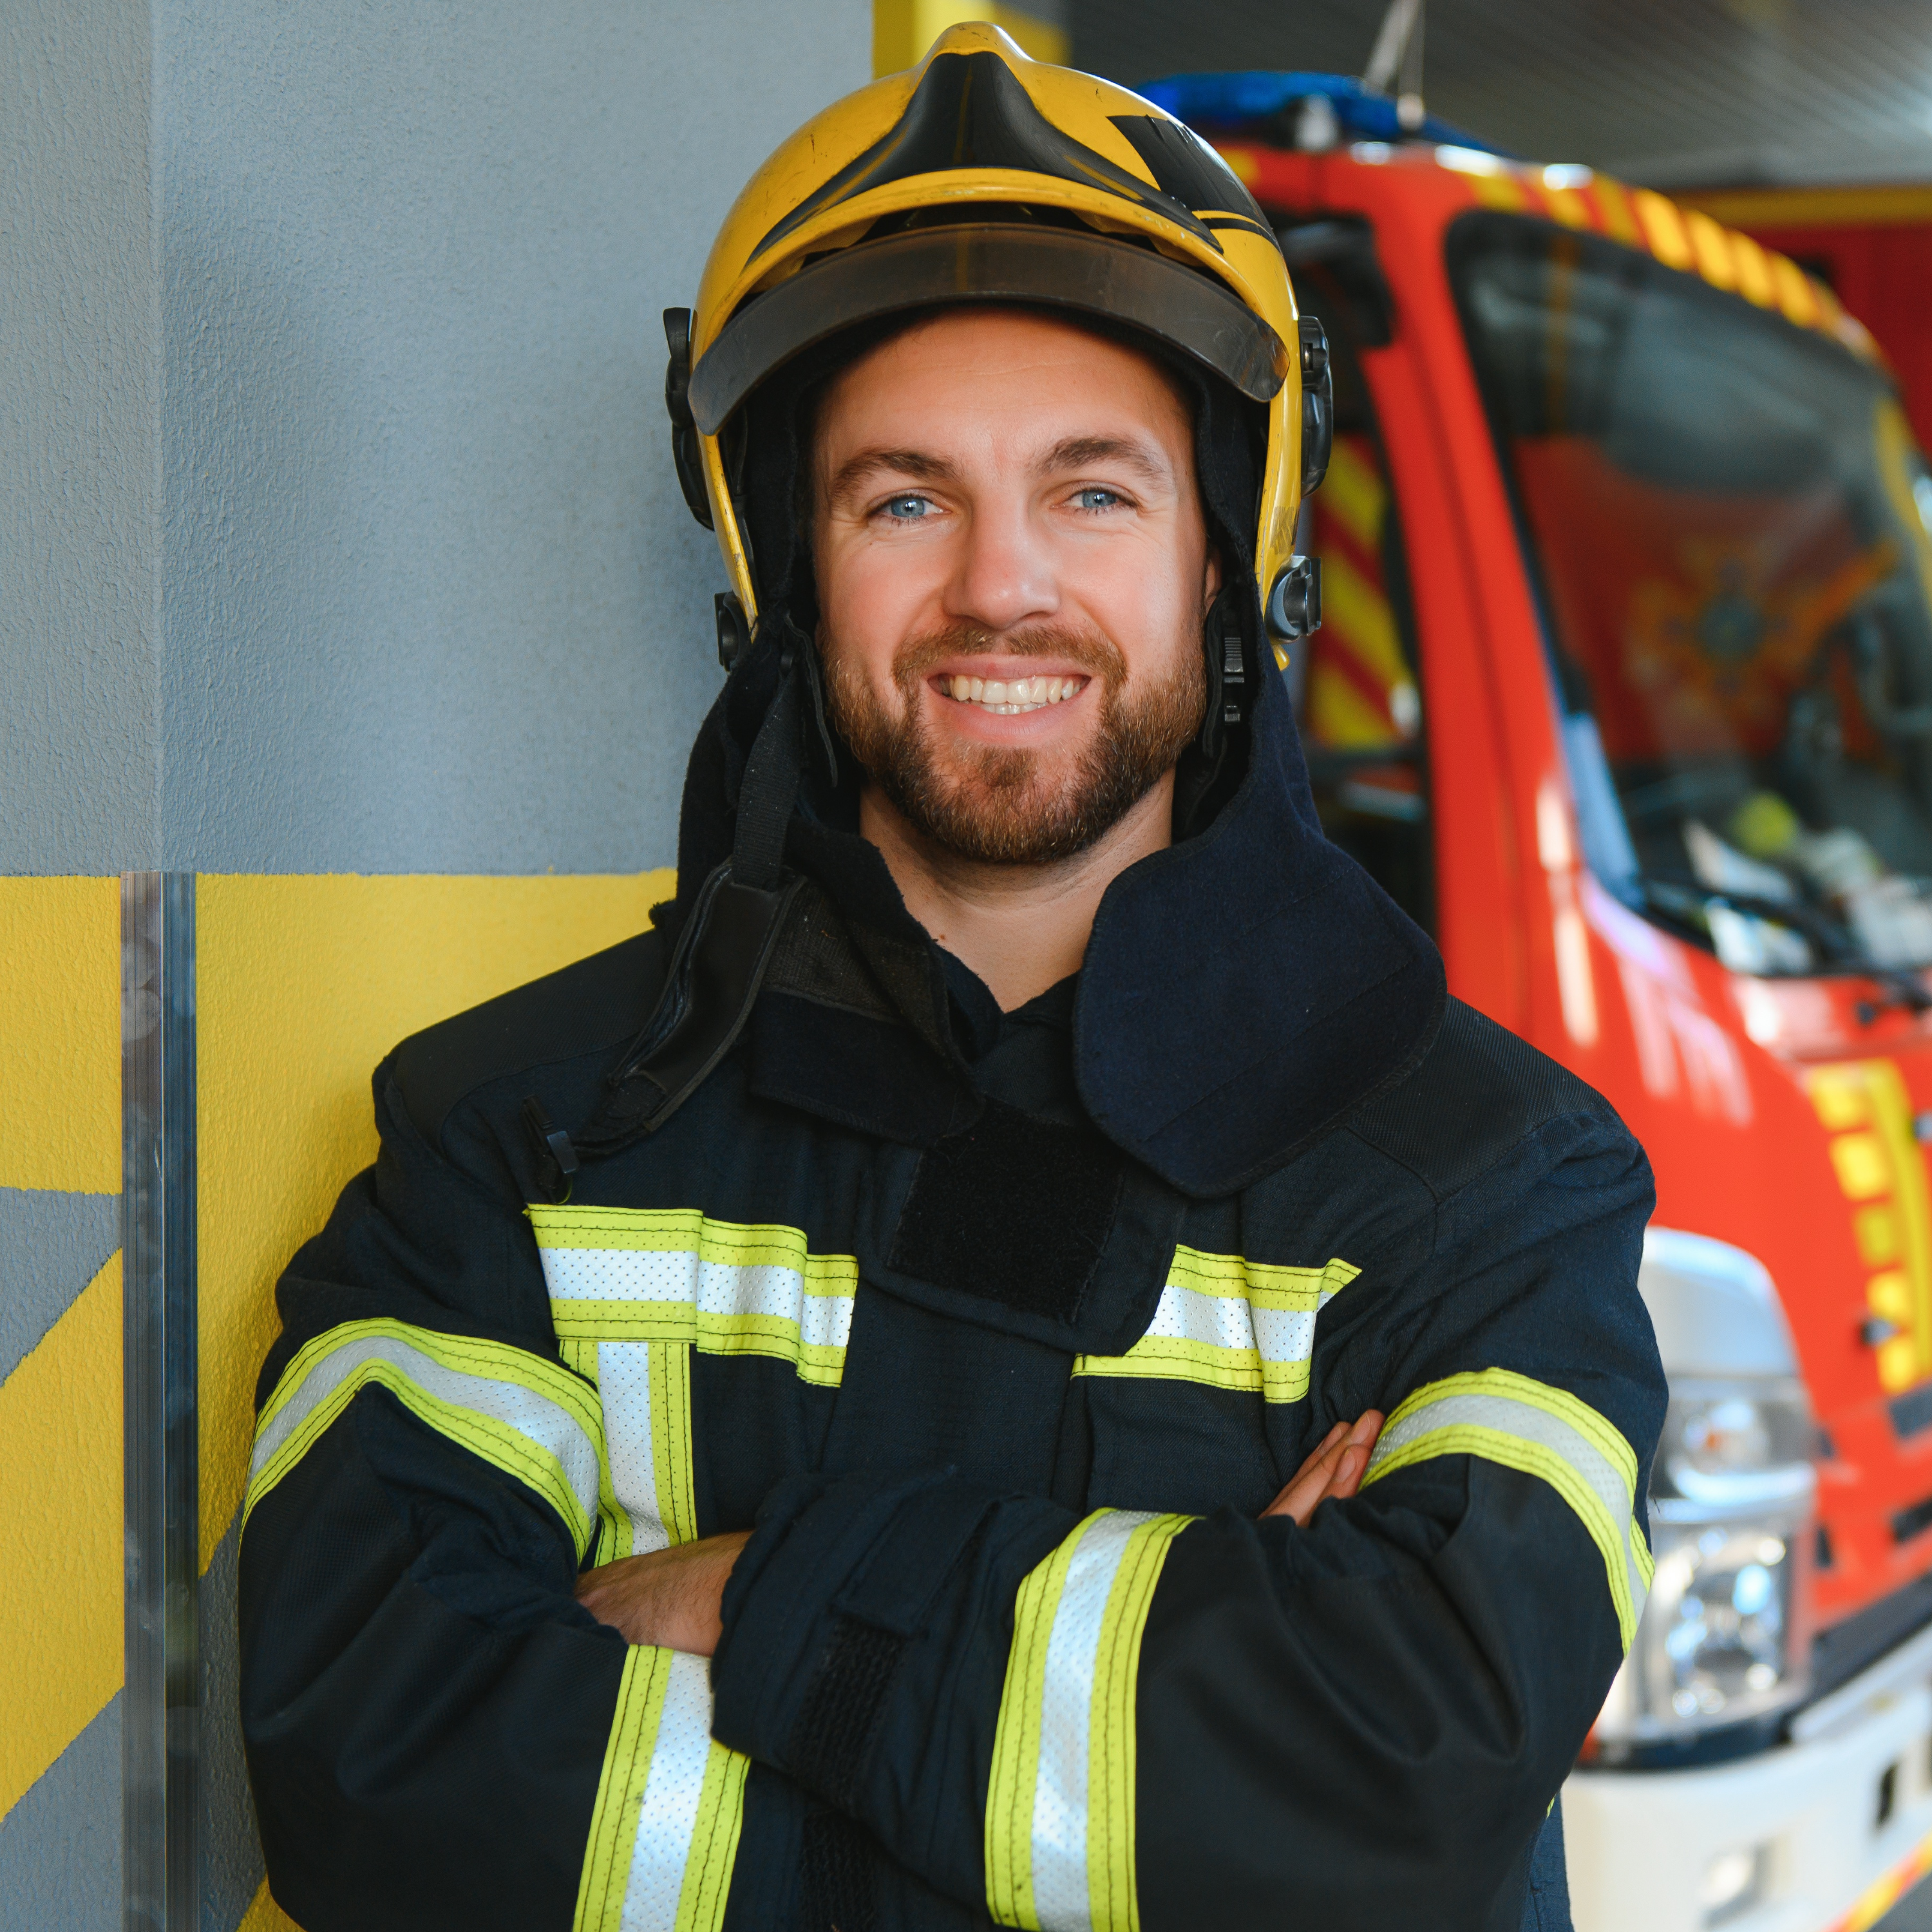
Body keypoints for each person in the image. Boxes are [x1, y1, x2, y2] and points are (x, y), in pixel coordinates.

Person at [238, 26, 1664, 1932]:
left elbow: (1399, 1780)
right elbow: (386, 1791)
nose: (1004, 586)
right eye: (905, 499)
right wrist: (1176, 1733)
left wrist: (737, 1598)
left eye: (1094, 493)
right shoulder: (510, 1142)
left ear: (1223, 557)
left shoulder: (1494, 1182)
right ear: (790, 568)